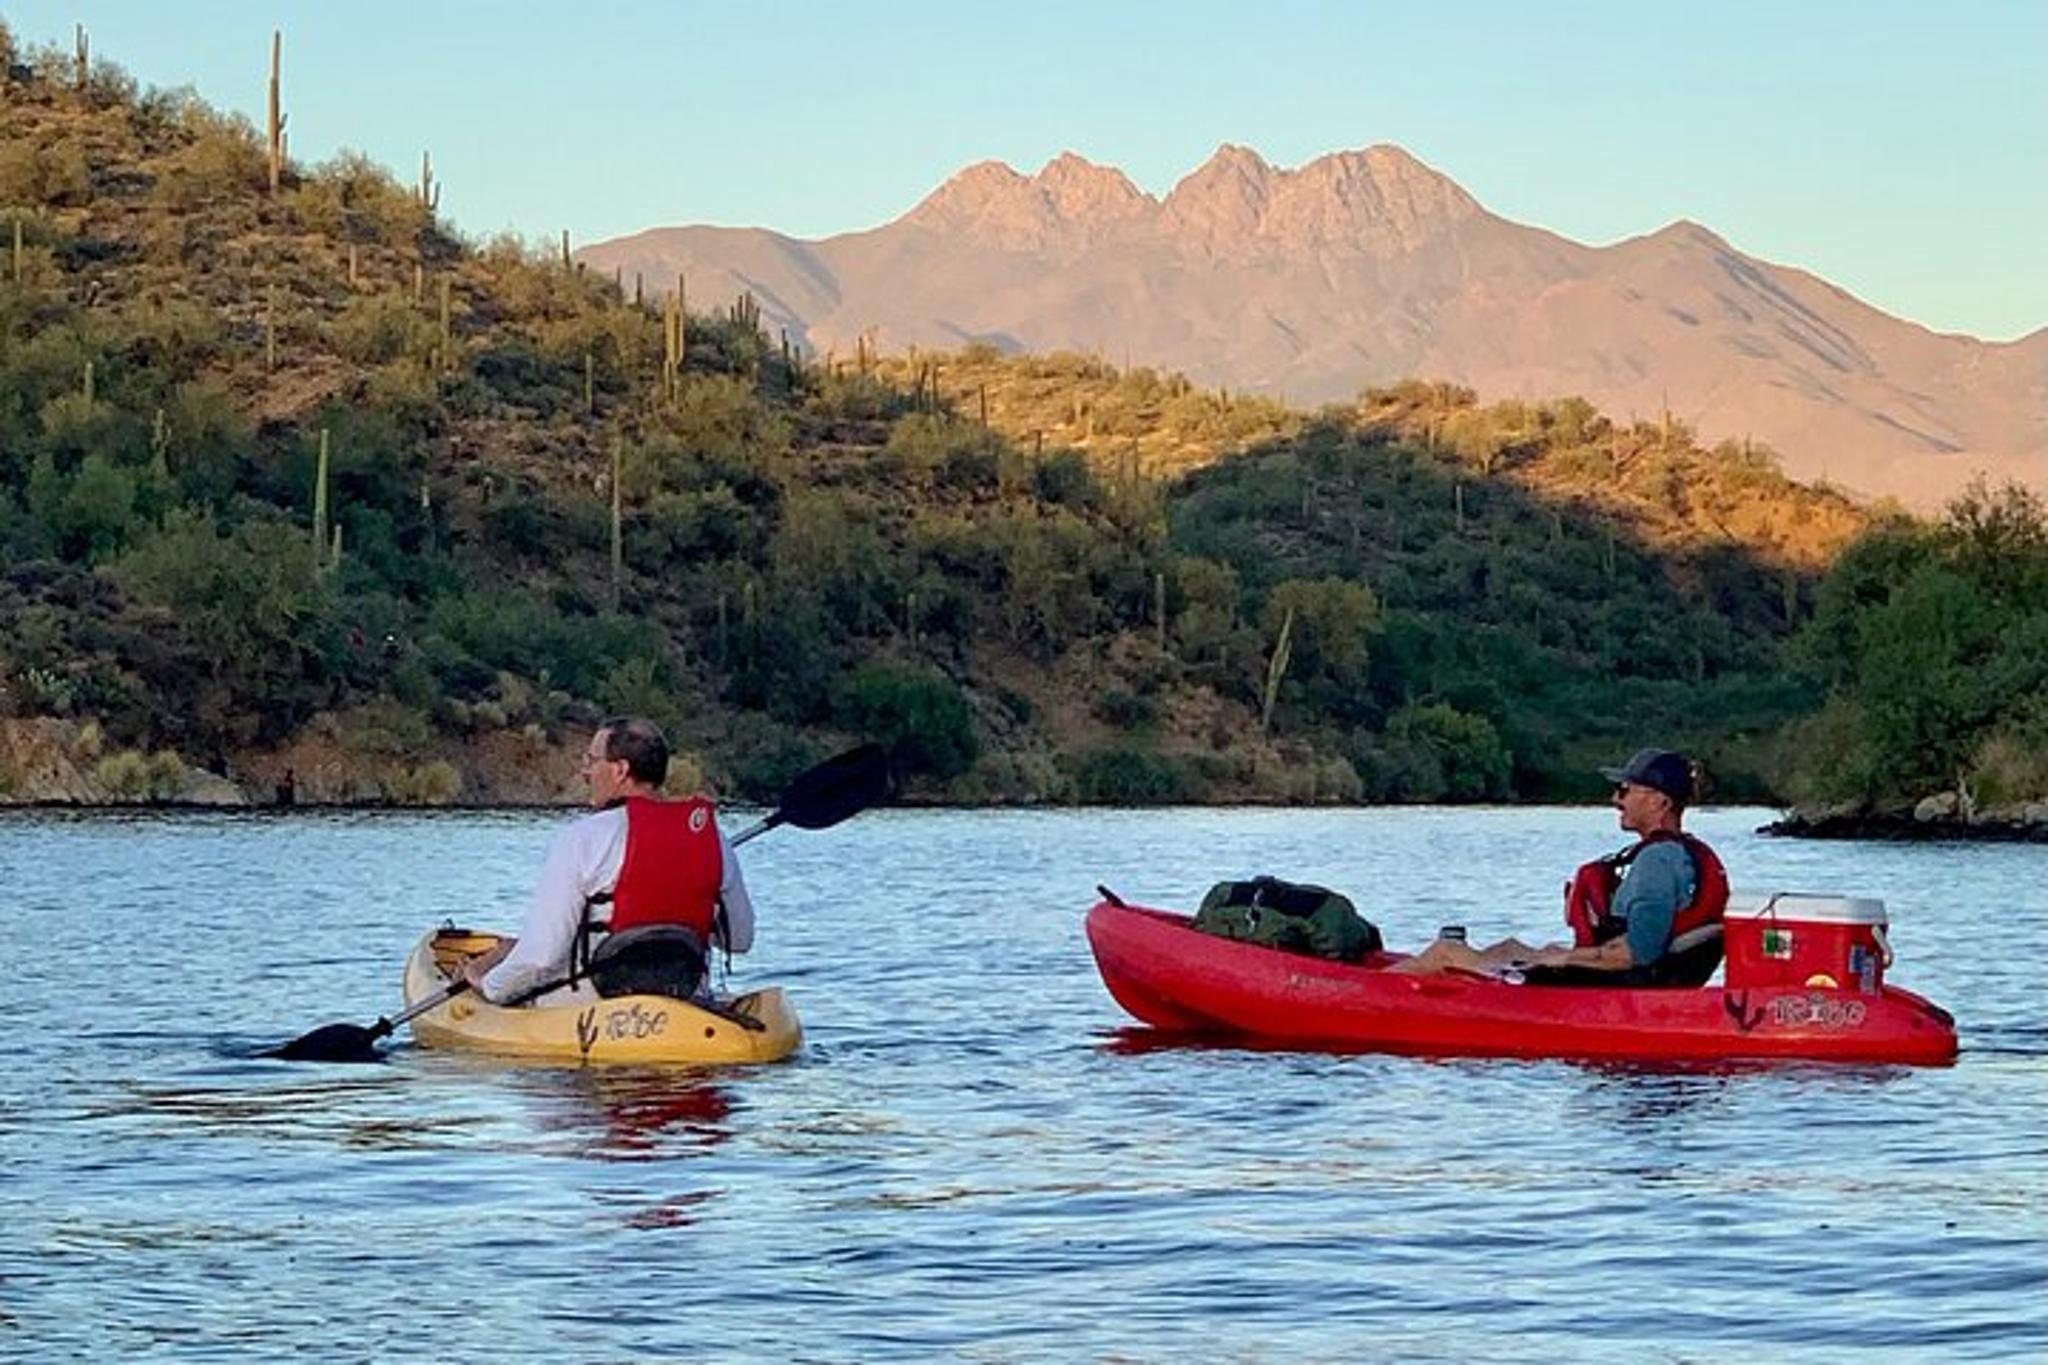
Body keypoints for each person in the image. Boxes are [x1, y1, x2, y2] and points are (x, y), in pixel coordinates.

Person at [460, 716, 754, 1006]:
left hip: (592, 1006)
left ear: (620, 770)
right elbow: (740, 940)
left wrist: (487, 985)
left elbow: (541, 958)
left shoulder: (581, 839)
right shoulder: (712, 838)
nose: (585, 772)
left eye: (591, 760)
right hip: (686, 1000)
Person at [1391, 748, 1728, 984]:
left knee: (1446, 952)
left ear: (1660, 801)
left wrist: (1560, 960)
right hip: (1622, 976)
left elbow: (1635, 955)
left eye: (1624, 790)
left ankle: (1359, 994)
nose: (1616, 800)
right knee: (1508, 947)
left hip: (1617, 986)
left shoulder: (1657, 862)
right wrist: (1554, 954)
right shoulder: (1683, 854)